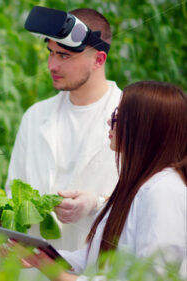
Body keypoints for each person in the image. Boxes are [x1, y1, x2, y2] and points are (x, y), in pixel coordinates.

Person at [12, 81, 187, 280]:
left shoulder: (164, 192)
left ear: (144, 128)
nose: (109, 122)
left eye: (118, 116)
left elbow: (153, 276)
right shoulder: (137, 186)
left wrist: (62, 276)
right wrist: (40, 257)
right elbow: (97, 259)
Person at [6, 7, 121, 250]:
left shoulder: (132, 118)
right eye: (51, 53)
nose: (52, 65)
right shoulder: (35, 116)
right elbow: (13, 192)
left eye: (64, 56)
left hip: (97, 268)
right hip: (35, 269)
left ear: (98, 60)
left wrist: (96, 203)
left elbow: (152, 204)